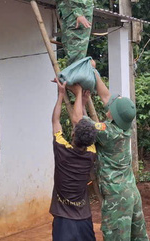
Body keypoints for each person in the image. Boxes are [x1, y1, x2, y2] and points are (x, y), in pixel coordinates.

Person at [68, 66, 149, 241]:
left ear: (114, 115)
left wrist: (78, 94)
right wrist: (93, 71)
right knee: (138, 238)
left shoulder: (108, 132)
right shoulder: (123, 128)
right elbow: (106, 96)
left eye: (112, 106)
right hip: (131, 193)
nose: (109, 104)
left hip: (116, 198)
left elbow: (78, 121)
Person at [50, 79, 98, 241]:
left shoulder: (61, 148)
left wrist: (61, 94)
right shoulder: (91, 154)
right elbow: (84, 123)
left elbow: (55, 121)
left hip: (63, 219)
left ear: (72, 135)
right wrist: (83, 104)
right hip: (84, 218)